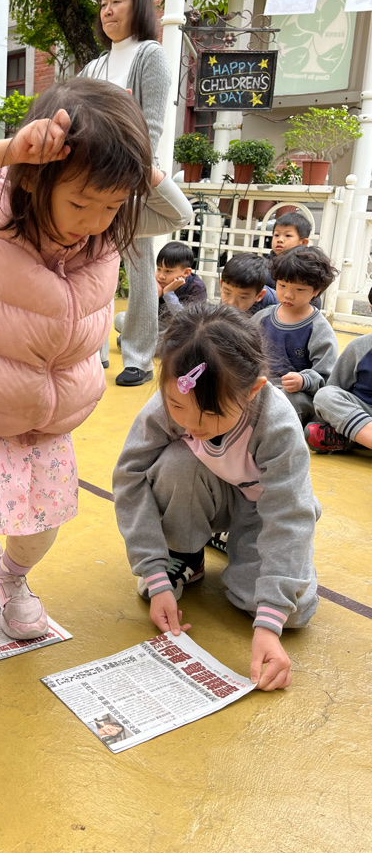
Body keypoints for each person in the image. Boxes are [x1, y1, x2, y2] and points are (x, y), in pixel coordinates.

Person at [0, 78, 193, 664]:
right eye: (81, 203)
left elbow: (175, 212)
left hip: (49, 417)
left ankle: (10, 581)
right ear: (36, 176)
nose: (96, 220)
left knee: (41, 525)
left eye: (112, 205)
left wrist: (131, 163)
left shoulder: (109, 224)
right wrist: (10, 151)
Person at [113, 303, 320, 692]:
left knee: (291, 614)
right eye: (177, 407)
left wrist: (270, 621)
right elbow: (130, 475)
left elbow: (288, 514)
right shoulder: (173, 401)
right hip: (210, 491)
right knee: (176, 463)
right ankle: (185, 554)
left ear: (253, 390)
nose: (191, 424)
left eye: (210, 415)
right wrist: (154, 573)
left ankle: (235, 540)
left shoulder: (276, 424)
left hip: (261, 510)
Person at [79, 0, 172, 387]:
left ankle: (138, 356)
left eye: (117, 0)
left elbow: (151, 127)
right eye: (103, 3)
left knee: (138, 266)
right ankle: (93, 348)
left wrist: (131, 176)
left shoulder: (150, 55)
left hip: (133, 180)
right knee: (91, 262)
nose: (108, 10)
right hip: (91, 179)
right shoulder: (93, 66)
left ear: (139, 5)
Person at [252, 247, 338, 426]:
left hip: (295, 393)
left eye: (299, 289)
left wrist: (304, 380)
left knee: (285, 400)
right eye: (282, 285)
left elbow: (327, 376)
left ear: (316, 291)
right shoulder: (262, 317)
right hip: (260, 384)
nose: (288, 295)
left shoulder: (319, 329)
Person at [307, 285, 372, 454]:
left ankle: (353, 439)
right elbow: (334, 389)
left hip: (357, 424)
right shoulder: (359, 347)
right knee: (325, 395)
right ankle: (359, 437)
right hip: (362, 412)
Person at [264, 211, 321, 309]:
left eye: (288, 236)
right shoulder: (264, 265)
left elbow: (315, 301)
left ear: (303, 242)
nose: (280, 240)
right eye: (276, 235)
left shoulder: (306, 268)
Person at [155, 241, 207, 320]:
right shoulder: (155, 283)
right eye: (159, 269)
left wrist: (168, 293)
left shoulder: (196, 288)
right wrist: (155, 295)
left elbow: (189, 320)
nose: (161, 276)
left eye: (168, 271)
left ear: (186, 272)